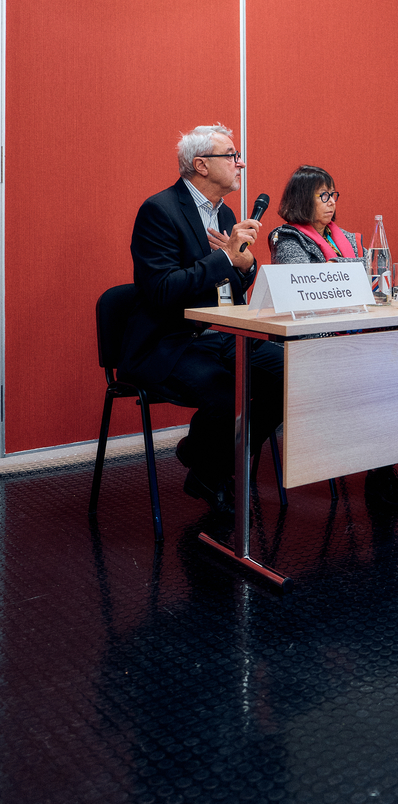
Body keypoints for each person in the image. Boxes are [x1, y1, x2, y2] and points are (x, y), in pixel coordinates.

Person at [119, 123, 285, 513]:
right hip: (171, 341)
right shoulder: (159, 211)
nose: (240, 163)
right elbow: (162, 290)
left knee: (290, 375)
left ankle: (204, 458)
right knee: (228, 397)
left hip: (222, 334)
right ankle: (211, 469)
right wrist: (225, 258)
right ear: (201, 165)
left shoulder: (224, 213)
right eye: (232, 156)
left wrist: (244, 265)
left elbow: (229, 287)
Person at [269, 165, 398, 510]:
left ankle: (389, 465)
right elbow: (304, 291)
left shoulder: (346, 237)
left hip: (354, 335)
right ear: (303, 199)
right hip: (314, 342)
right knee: (378, 378)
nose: (332, 201)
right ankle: (381, 473)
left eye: (333, 194)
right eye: (323, 195)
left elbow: (370, 283)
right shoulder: (288, 239)